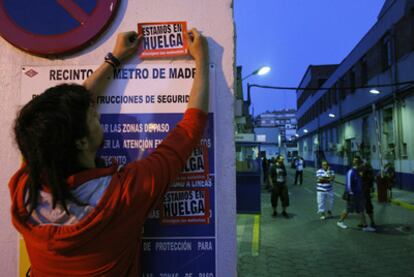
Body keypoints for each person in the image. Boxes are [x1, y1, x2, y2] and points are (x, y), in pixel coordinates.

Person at [9, 29, 209, 276]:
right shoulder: (122, 196)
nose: (96, 113)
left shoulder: (24, 190)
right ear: (81, 143)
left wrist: (115, 59)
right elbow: (188, 132)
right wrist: (202, 60)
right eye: (93, 116)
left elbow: (70, 116)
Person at [337, 156, 376, 232]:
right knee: (348, 209)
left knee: (361, 210)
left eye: (359, 163)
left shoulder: (359, 172)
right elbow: (348, 185)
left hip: (359, 194)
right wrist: (351, 194)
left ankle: (365, 226)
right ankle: (340, 222)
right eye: (358, 164)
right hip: (353, 195)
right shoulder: (351, 172)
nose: (360, 167)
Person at [361, 160, 376, 227]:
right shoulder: (371, 172)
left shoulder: (365, 171)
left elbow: (362, 176)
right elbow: (372, 182)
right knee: (368, 207)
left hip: (364, 191)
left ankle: (364, 222)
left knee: (363, 207)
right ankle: (371, 221)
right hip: (367, 191)